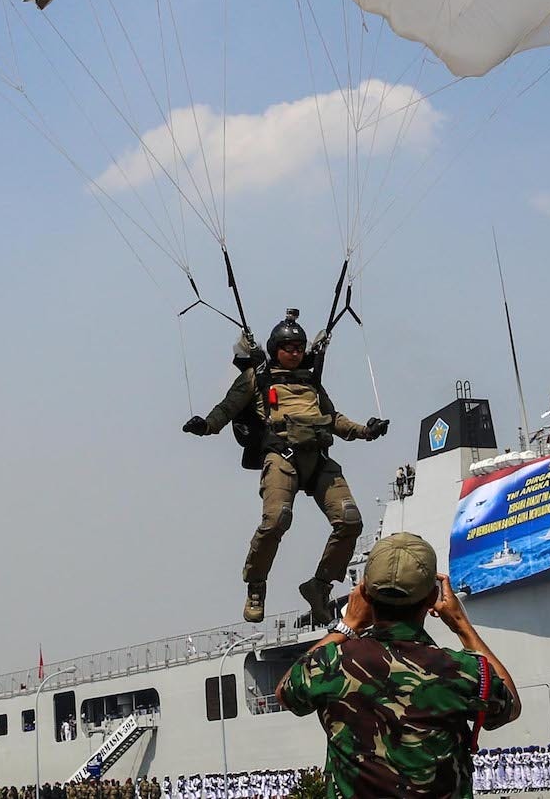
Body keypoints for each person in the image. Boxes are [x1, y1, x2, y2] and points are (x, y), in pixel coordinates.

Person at [279, 531, 519, 798]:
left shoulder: (329, 663)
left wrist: (347, 626)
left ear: (364, 594)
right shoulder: (462, 671)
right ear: (431, 598)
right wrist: (461, 625)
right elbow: (510, 706)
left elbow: (286, 691)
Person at [186, 310, 389, 623]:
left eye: (299, 347)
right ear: (274, 349)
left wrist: (365, 430)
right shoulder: (258, 377)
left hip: (319, 459)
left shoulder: (310, 383)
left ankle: (319, 587)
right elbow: (227, 408)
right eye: (288, 347)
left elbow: (333, 419)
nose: (294, 353)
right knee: (277, 519)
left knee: (350, 521)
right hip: (282, 457)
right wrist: (207, 425)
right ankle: (256, 584)